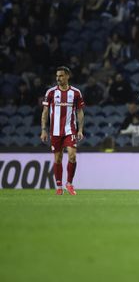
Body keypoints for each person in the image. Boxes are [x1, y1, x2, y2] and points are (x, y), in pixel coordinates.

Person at [40, 66, 85, 196]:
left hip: (69, 130)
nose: (58, 78)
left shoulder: (76, 92)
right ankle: (59, 186)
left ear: (67, 76)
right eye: (57, 76)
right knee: (58, 159)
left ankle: (69, 184)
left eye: (61, 76)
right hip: (55, 131)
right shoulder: (51, 93)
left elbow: (80, 112)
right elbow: (45, 112)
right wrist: (43, 129)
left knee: (72, 155)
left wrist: (80, 129)